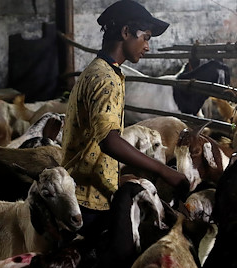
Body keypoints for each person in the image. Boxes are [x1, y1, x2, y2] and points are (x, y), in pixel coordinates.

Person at [61, 0, 190, 238]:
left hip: (82, 187)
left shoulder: (97, 70)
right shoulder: (106, 79)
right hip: (88, 198)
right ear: (126, 32)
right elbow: (109, 141)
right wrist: (165, 171)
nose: (148, 46)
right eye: (146, 37)